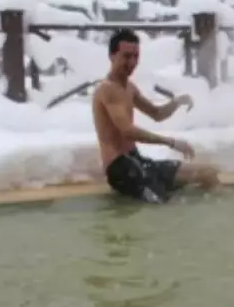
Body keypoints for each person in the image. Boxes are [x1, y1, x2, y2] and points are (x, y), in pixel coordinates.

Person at [92, 29, 221, 204]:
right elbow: (127, 131)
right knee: (166, 206)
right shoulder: (107, 89)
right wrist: (171, 142)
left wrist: (177, 102)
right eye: (126, 56)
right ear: (112, 56)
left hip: (138, 161)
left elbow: (156, 114)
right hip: (120, 168)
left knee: (207, 174)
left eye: (136, 56)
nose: (132, 62)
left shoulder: (129, 87)